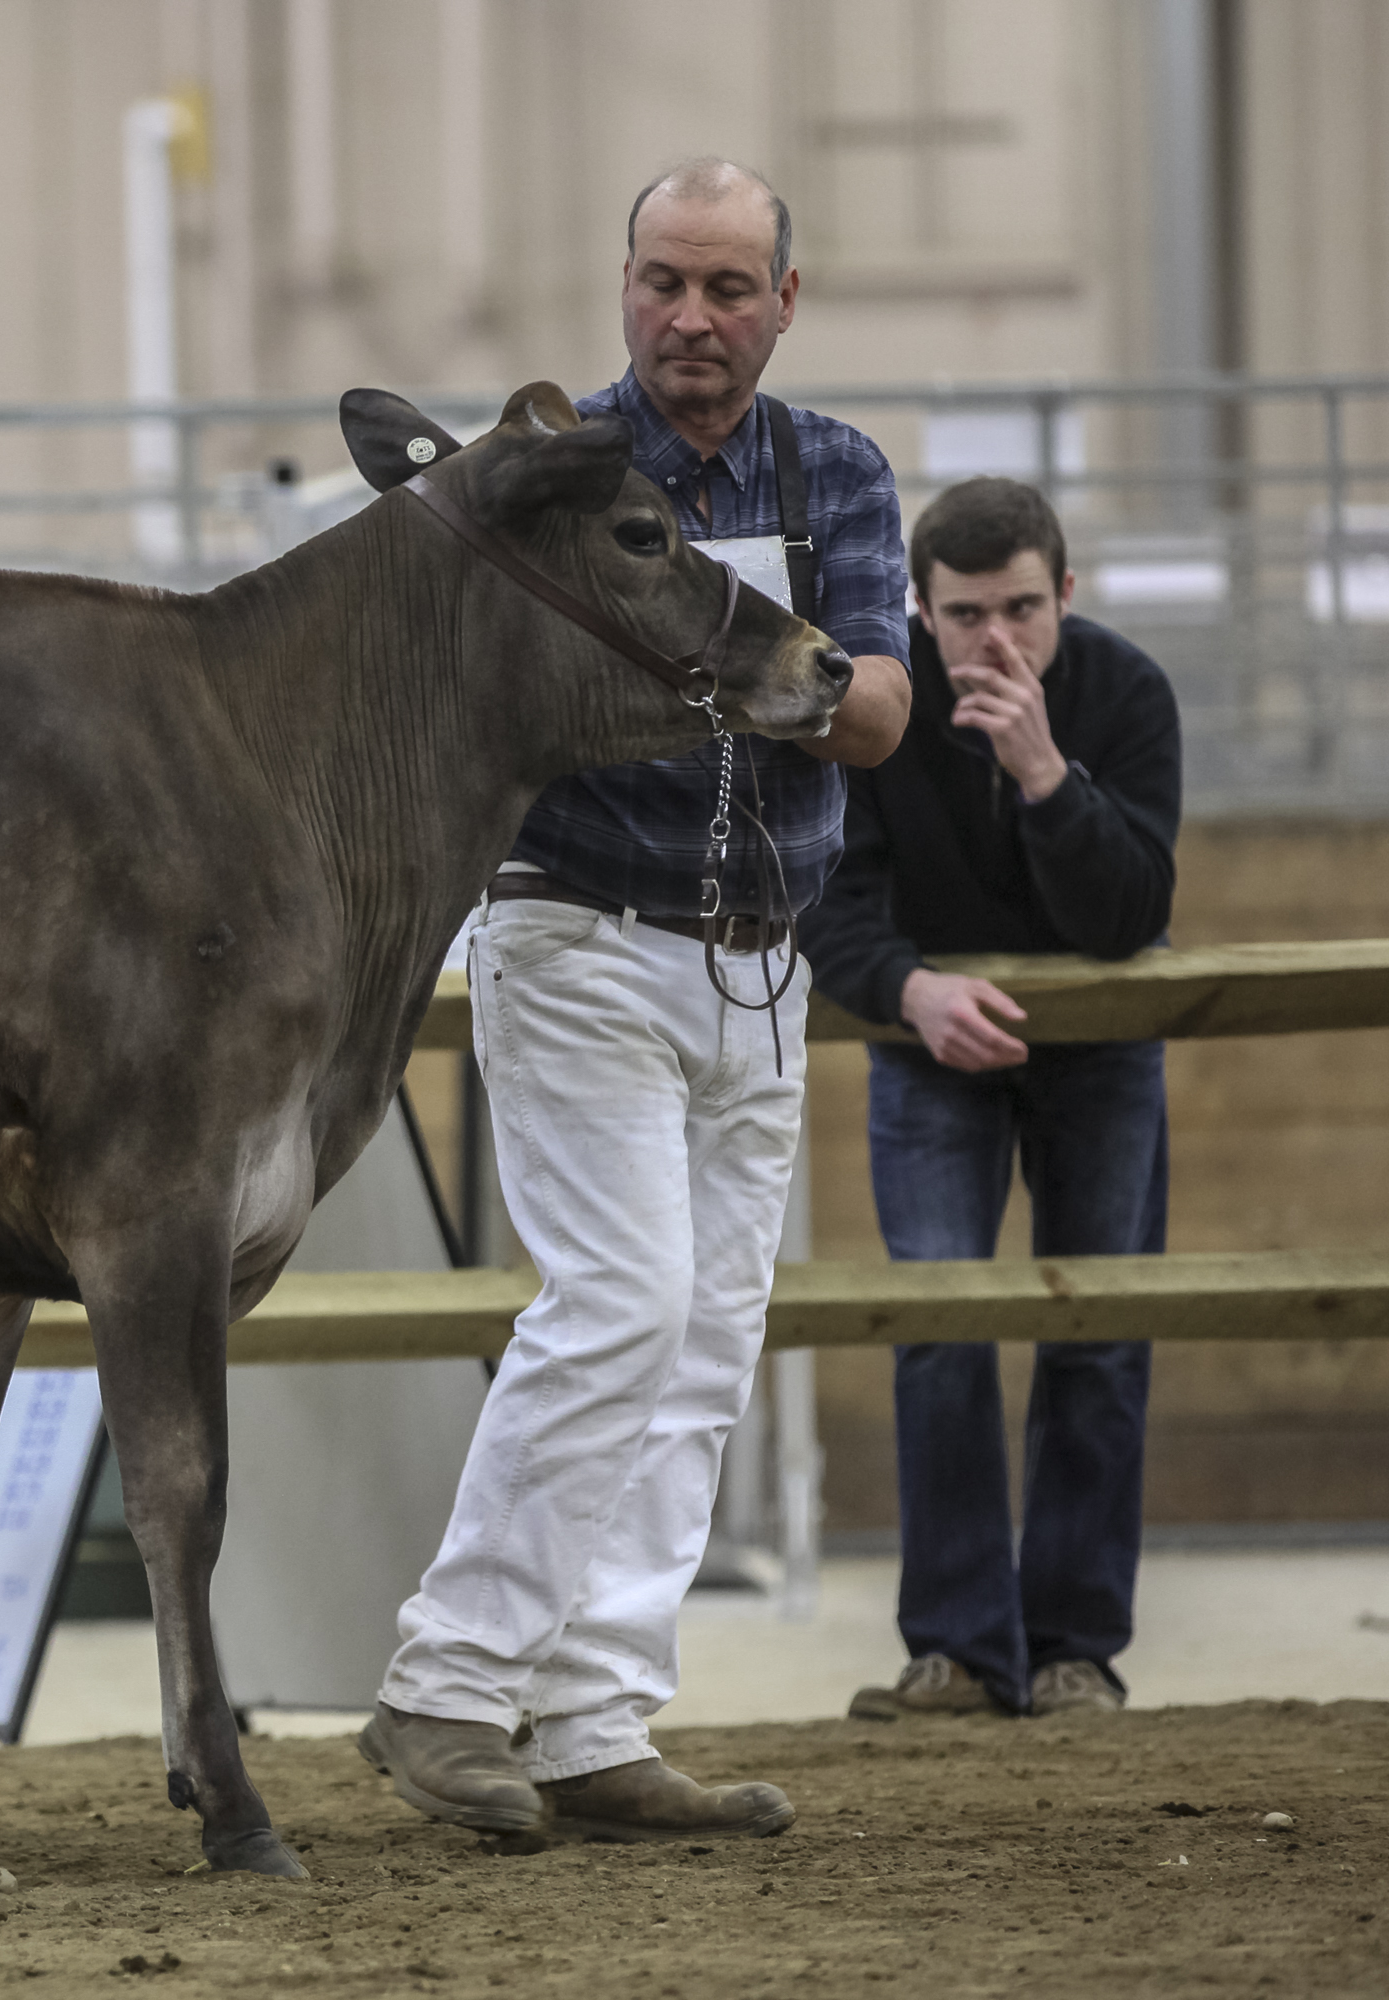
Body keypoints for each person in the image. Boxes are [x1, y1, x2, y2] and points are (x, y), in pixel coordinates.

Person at [362, 158, 911, 1843]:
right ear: (624, 286)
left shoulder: (837, 472)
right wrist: (757, 668)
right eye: (664, 280)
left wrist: (756, 672)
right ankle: (450, 1685)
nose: (690, 316)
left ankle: (594, 1713)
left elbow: (884, 711)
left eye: (728, 287)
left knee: (704, 1340)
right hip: (580, 925)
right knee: (624, 1301)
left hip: (761, 955)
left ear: (783, 304)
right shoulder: (553, 471)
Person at [801, 477, 1181, 1722]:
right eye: (965, 615)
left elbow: (1130, 914)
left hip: (1102, 1047)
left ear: (1065, 591)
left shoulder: (1126, 692)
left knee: (1099, 1335)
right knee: (939, 1330)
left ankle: (1075, 1648)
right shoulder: (881, 704)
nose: (996, 640)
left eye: (1021, 608)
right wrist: (908, 991)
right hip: (931, 1044)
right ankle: (960, 1649)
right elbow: (830, 899)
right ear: (919, 607)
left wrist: (1043, 772)